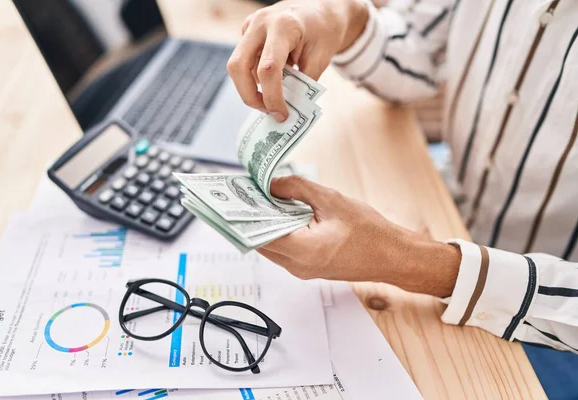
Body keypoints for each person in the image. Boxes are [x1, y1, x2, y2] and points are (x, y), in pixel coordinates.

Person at [226, 0, 578, 352]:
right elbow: (420, 46)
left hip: (553, 336)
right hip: (450, 214)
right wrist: (343, 17)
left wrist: (412, 263)